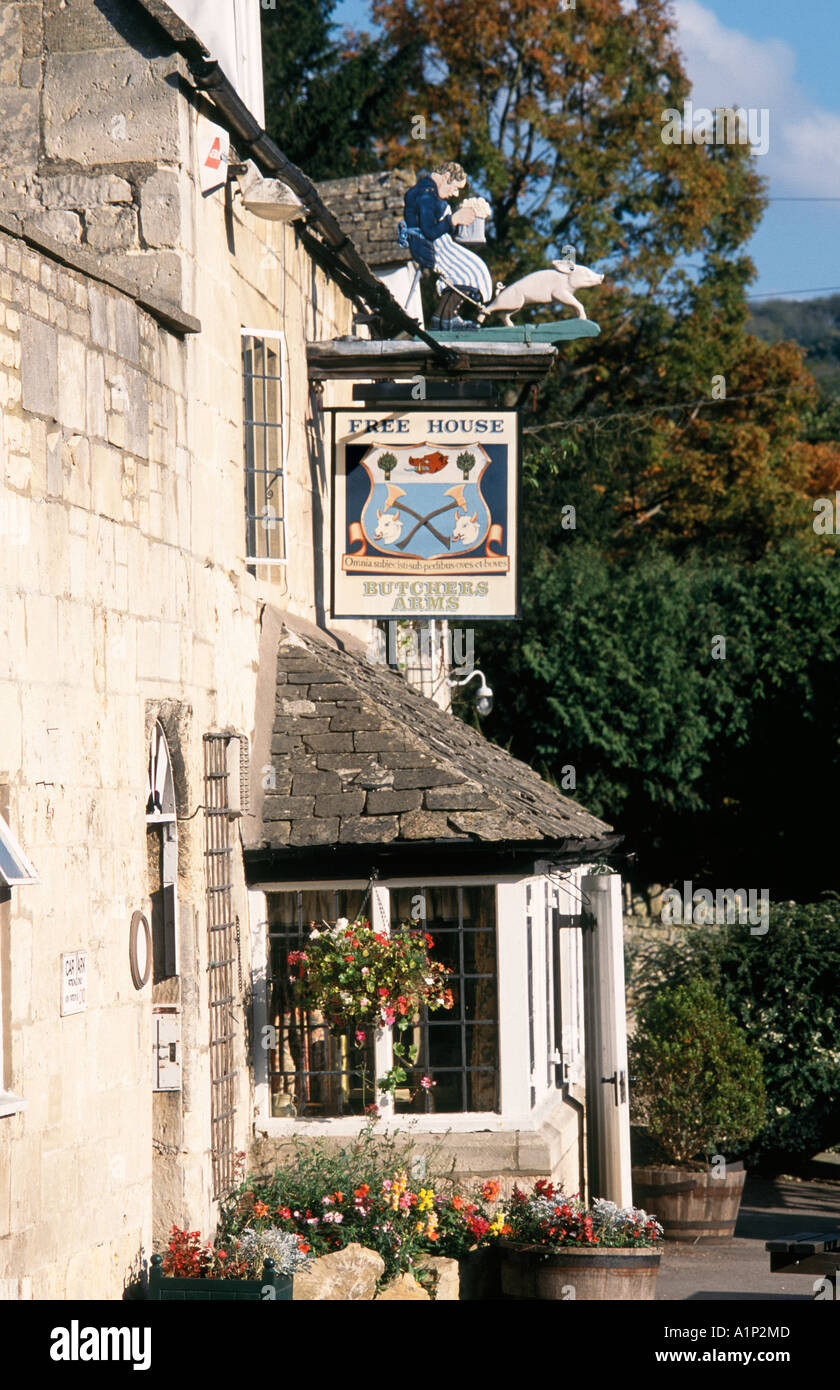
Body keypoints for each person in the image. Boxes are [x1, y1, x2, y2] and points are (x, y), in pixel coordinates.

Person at [401, 161, 493, 330]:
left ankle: (443, 318)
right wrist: (454, 220)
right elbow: (429, 230)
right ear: (445, 178)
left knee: (472, 267)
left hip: (436, 244)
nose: (455, 193)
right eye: (455, 187)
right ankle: (447, 319)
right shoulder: (427, 194)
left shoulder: (429, 192)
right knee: (472, 270)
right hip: (431, 248)